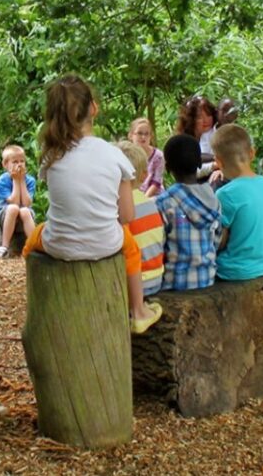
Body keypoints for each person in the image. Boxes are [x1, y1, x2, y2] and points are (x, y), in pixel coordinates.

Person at [21, 74, 162, 333]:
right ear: (94, 108)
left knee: (33, 240)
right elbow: (127, 215)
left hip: (59, 244)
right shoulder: (113, 154)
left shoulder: (52, 155)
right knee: (131, 247)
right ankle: (140, 311)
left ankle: (33, 294)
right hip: (107, 243)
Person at [211, 124, 263, 281]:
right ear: (252, 153)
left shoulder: (225, 194)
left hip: (233, 270)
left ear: (218, 162)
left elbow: (220, 241)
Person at [154, 134, 222, 291]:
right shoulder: (213, 198)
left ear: (168, 167)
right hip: (207, 279)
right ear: (199, 162)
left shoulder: (164, 202)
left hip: (175, 283)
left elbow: (159, 247)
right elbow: (216, 241)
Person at [115, 141, 166, 302]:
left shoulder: (118, 208)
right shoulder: (151, 204)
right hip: (157, 279)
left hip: (134, 285)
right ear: (144, 175)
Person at [0, 145, 36, 259]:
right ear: (5, 164)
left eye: (22, 161)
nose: (19, 165)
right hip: (6, 216)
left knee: (25, 210)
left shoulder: (30, 180)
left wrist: (21, 181)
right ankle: (4, 247)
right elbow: (14, 202)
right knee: (13, 208)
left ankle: (35, 246)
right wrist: (16, 180)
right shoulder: (1, 181)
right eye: (15, 162)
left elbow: (26, 203)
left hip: (23, 218)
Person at [177, 95, 219, 182]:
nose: (205, 120)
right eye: (199, 117)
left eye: (208, 115)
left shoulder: (217, 134)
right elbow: (188, 172)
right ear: (191, 119)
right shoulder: (183, 142)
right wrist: (215, 165)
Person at [127, 118, 165, 196]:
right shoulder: (127, 154)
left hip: (154, 195)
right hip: (134, 195)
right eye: (140, 133)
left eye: (146, 134)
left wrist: (144, 199)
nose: (143, 137)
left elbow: (156, 182)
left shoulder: (158, 156)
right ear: (131, 135)